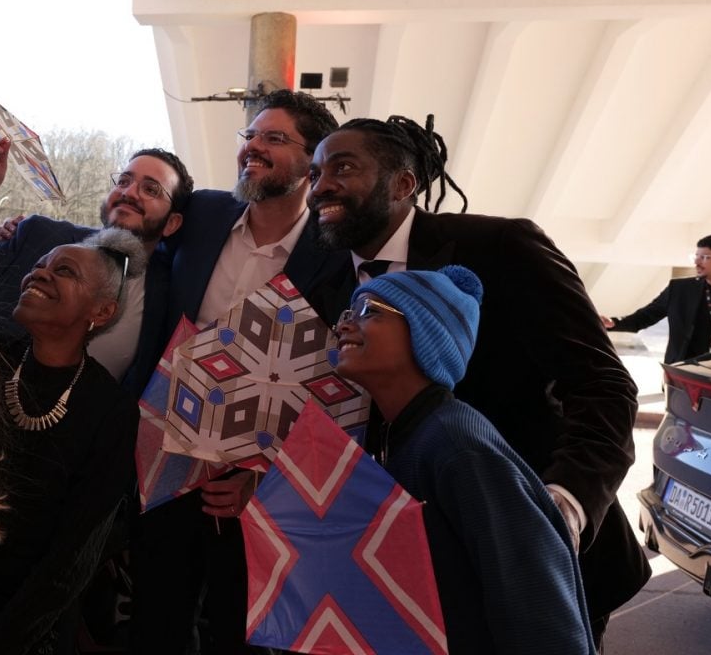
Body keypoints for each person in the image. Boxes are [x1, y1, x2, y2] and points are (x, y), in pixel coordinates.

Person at [305, 114, 651, 646]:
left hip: (532, 557)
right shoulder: (326, 279)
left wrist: (563, 504)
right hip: (416, 568)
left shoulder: (501, 247)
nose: (320, 186)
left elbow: (604, 385)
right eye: (314, 174)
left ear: (403, 184)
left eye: (343, 168)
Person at [133, 88, 340, 655]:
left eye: (274, 138)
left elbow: (332, 380)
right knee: (156, 618)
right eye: (250, 136)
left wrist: (270, 474)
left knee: (239, 628)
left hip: (252, 475)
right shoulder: (202, 213)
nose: (253, 147)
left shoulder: (333, 250)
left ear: (313, 162)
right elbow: (131, 230)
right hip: (163, 449)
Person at [333, 265, 596, 654]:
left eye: (369, 311)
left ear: (425, 334)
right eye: (348, 313)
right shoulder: (406, 434)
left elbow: (541, 614)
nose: (344, 325)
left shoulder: (458, 449)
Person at [0, 228, 144, 654]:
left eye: (64, 271)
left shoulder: (111, 410)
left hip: (28, 625)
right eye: (38, 265)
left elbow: (75, 556)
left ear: (102, 311)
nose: (40, 273)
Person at [0, 146, 193, 393]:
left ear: (171, 223)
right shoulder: (38, 234)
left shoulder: (169, 296)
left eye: (151, 189)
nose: (129, 192)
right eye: (123, 181)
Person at [601, 234, 711, 363]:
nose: (697, 262)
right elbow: (646, 316)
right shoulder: (680, 289)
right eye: (696, 256)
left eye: (705, 257)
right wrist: (614, 322)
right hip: (682, 368)